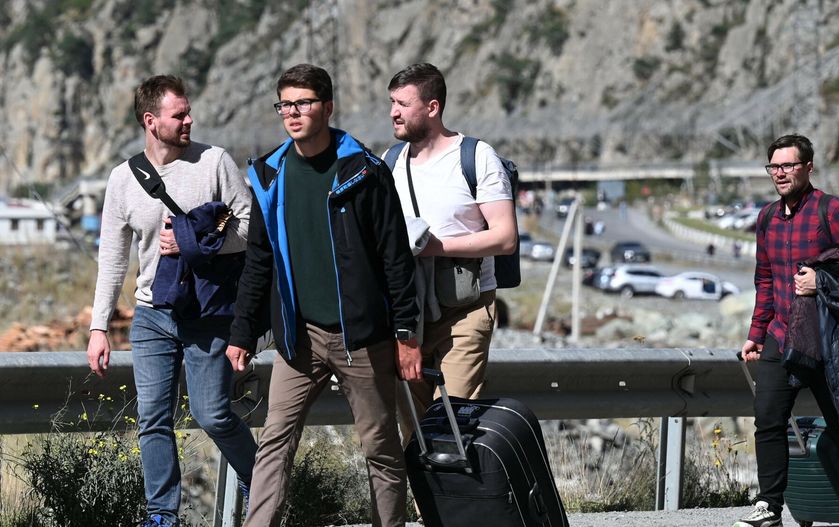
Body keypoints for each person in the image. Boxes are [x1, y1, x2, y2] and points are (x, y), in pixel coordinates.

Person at [224, 64, 421, 527]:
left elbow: (396, 258)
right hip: (299, 337)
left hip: (362, 338)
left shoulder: (364, 172)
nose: (292, 113)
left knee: (380, 447)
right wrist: (243, 332)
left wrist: (406, 333)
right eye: (285, 104)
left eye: (303, 103)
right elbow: (259, 261)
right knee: (275, 439)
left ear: (327, 108)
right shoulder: (270, 175)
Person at [86, 75, 257, 527]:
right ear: (151, 120)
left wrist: (193, 242)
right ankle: (162, 516)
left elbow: (250, 229)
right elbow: (111, 258)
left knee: (212, 414)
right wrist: (99, 326)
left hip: (206, 313)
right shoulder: (123, 179)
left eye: (188, 112)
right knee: (153, 420)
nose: (189, 120)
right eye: (178, 114)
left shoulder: (214, 162)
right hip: (151, 315)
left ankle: (258, 477)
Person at [734, 134, 839, 527]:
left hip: (829, 339)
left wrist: (820, 281)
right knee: (768, 419)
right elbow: (765, 279)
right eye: (774, 166)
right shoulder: (766, 218)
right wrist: (756, 332)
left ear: (808, 167)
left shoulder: (834, 211)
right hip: (781, 334)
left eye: (789, 165)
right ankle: (769, 507)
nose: (780, 173)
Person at [384, 63, 517, 441]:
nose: (393, 111)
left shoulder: (475, 157)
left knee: (451, 428)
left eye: (403, 103)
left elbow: (505, 237)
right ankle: (429, 503)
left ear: (432, 107)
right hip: (409, 315)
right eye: (392, 102)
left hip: (466, 309)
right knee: (413, 431)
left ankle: (460, 498)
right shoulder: (390, 163)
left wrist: (435, 248)